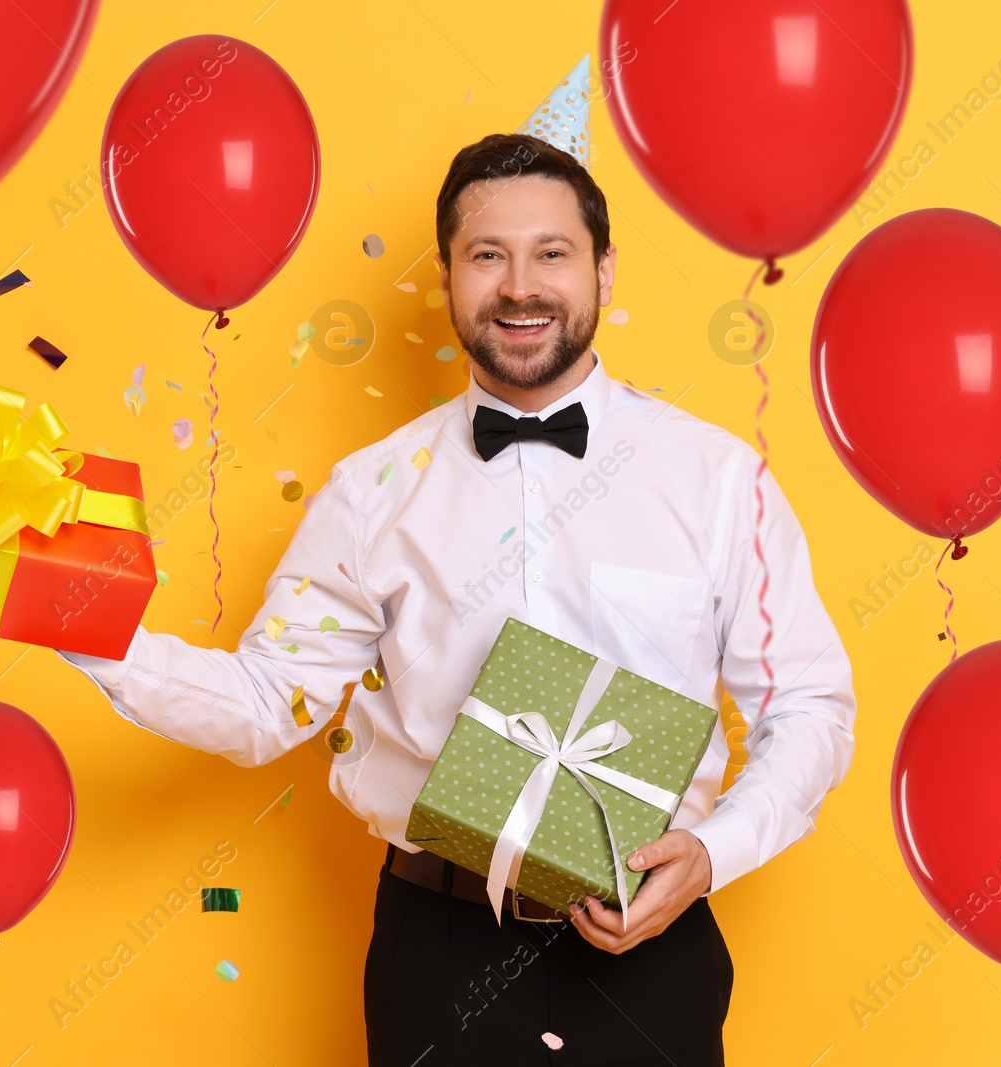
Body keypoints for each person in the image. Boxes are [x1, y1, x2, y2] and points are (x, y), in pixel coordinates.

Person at [58, 131, 855, 1065]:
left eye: (551, 253)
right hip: (436, 948)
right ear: (448, 278)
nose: (521, 287)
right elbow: (270, 702)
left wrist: (714, 854)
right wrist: (70, 611)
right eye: (488, 255)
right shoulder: (371, 493)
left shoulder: (719, 480)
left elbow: (808, 707)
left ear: (602, 268)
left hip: (651, 942)